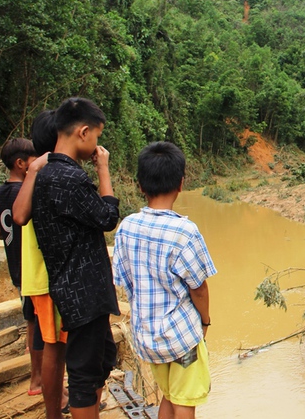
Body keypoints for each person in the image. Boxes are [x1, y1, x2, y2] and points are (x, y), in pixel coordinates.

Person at [113, 142, 216, 419]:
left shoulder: (127, 228)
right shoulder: (185, 231)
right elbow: (199, 288)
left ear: (140, 185)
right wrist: (205, 322)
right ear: (181, 183)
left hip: (147, 337)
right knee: (184, 402)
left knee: (169, 397)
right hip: (181, 337)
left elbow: (124, 281)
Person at [31, 98, 120, 419]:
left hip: (75, 289)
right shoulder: (68, 179)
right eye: (96, 136)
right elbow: (108, 216)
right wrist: (103, 170)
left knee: (104, 357)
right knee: (84, 373)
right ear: (83, 132)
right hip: (83, 293)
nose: (97, 144)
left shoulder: (47, 174)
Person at [12, 110, 69, 419]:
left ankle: (57, 403)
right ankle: (54, 411)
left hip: (41, 276)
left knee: (53, 345)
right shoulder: (46, 170)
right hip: (48, 277)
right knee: (54, 348)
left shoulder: (41, 170)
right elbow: (20, 216)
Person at [0, 138, 43, 398]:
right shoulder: (26, 194)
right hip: (30, 268)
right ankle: (37, 379)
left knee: (29, 312)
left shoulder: (0, 192)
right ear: (22, 164)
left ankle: (28, 348)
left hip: (15, 266)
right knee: (36, 319)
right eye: (34, 159)